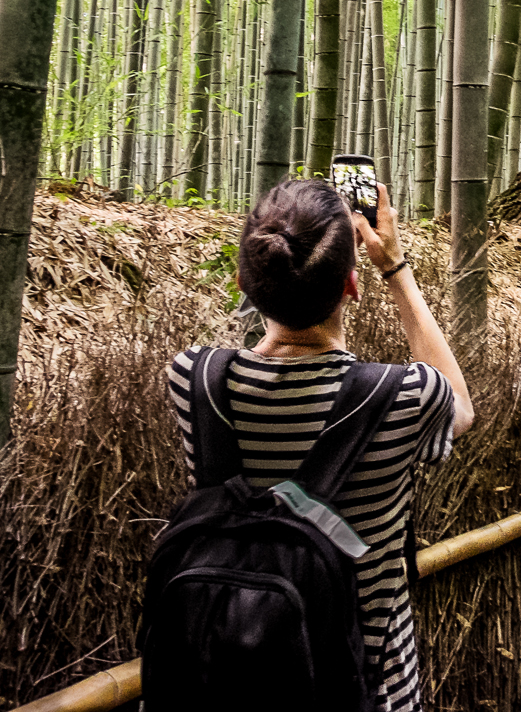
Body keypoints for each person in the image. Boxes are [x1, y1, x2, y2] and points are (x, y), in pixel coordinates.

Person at [167, 177, 474, 712]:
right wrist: (395, 269)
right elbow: (462, 408)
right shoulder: (401, 396)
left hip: (223, 690)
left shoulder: (195, 378)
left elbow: (261, 362)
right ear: (351, 286)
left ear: (243, 281)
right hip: (367, 692)